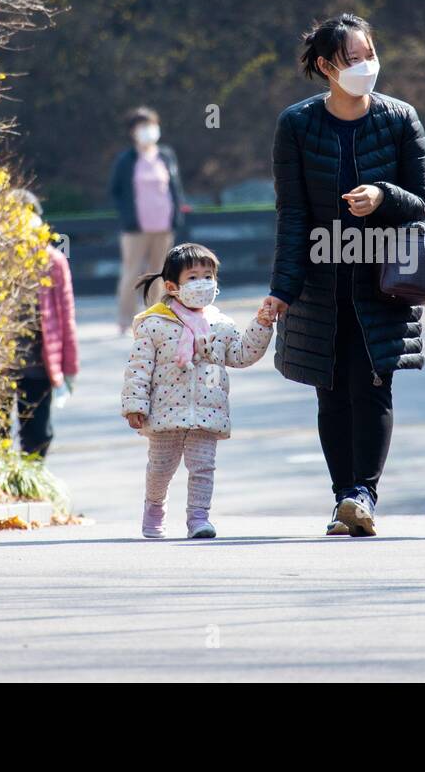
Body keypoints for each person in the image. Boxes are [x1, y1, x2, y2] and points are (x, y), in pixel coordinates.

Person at [260, 13, 425, 537]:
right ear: (325, 67)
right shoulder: (296, 124)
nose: (365, 66)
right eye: (352, 59)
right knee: (330, 390)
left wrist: (383, 197)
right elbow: (292, 214)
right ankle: (344, 500)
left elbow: (424, 201)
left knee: (373, 385)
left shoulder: (401, 118)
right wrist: (282, 291)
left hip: (383, 281)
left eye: (368, 55)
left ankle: (364, 494)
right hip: (320, 283)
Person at [121, 243, 274, 539]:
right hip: (165, 414)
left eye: (208, 276)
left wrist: (262, 325)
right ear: (172, 286)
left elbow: (241, 355)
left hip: (208, 411)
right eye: (192, 277)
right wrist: (134, 405)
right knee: (160, 470)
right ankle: (154, 508)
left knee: (203, 468)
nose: (202, 283)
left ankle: (199, 518)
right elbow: (138, 368)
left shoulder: (221, 324)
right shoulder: (154, 324)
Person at [9, 192, 79, 458]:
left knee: (38, 433)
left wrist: (69, 368)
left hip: (38, 363)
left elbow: (65, 318)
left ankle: (31, 479)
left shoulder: (53, 261)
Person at [110, 106, 188, 334]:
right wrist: (127, 217)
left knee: (159, 272)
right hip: (135, 228)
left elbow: (175, 187)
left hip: (163, 225)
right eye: (143, 127)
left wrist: (177, 215)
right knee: (131, 271)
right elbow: (115, 191)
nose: (148, 131)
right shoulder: (126, 159)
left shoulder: (166, 155)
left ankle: (155, 314)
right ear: (133, 131)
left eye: (151, 126)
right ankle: (125, 319)